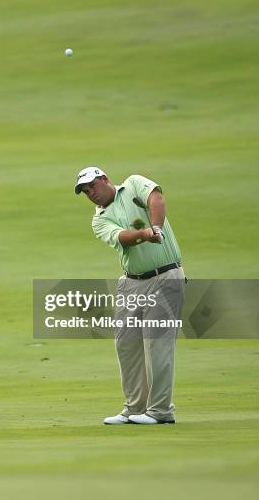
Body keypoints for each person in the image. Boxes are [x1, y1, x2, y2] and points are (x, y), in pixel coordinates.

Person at [75, 166, 186, 425]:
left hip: (165, 277)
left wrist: (156, 227)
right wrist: (145, 234)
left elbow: (156, 197)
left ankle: (160, 412)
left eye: (92, 185)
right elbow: (122, 237)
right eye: (85, 191)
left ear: (104, 179)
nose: (90, 192)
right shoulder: (99, 219)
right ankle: (135, 408)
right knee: (126, 345)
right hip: (131, 284)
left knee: (157, 346)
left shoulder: (134, 184)